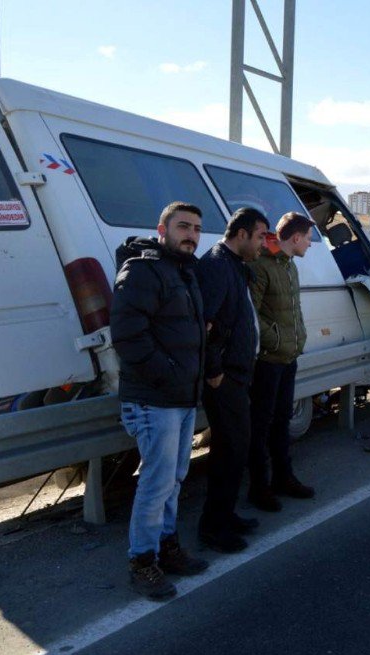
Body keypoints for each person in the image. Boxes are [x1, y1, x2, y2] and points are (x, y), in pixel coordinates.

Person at [110, 201, 209, 600]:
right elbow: (127, 335)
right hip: (155, 399)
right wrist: (168, 373)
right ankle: (142, 562)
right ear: (162, 229)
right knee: (156, 482)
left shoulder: (183, 271)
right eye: (183, 226)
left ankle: (167, 547)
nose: (191, 234)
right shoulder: (142, 269)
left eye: (197, 229)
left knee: (174, 478)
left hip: (182, 397)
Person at [195, 207, 269, 553]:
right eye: (259, 236)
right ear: (241, 234)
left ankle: (225, 515)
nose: (262, 244)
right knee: (230, 450)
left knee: (236, 448)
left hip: (238, 374)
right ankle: (213, 528)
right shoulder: (215, 265)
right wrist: (213, 372)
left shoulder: (234, 265)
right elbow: (203, 324)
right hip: (224, 378)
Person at [247, 212, 317, 513]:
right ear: (296, 238)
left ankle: (283, 478)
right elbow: (251, 313)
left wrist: (295, 339)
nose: (311, 245)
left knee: (281, 422)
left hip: (288, 358)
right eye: (309, 239)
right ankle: (258, 488)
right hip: (267, 361)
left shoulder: (289, 265)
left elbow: (291, 310)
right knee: (260, 426)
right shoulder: (262, 264)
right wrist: (275, 340)